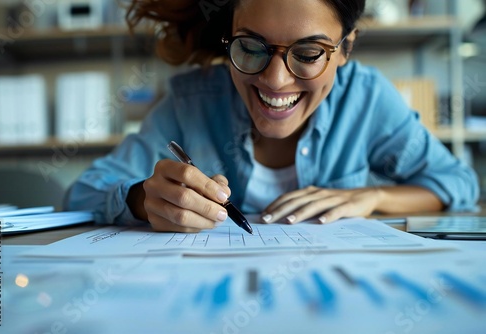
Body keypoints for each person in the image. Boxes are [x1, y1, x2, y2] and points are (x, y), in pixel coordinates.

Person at [64, 0, 479, 233]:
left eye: (308, 54)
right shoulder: (191, 101)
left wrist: (371, 197)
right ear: (228, 36)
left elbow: (457, 182)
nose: (276, 81)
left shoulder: (365, 99)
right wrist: (141, 199)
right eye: (250, 47)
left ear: (346, 47)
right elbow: (82, 194)